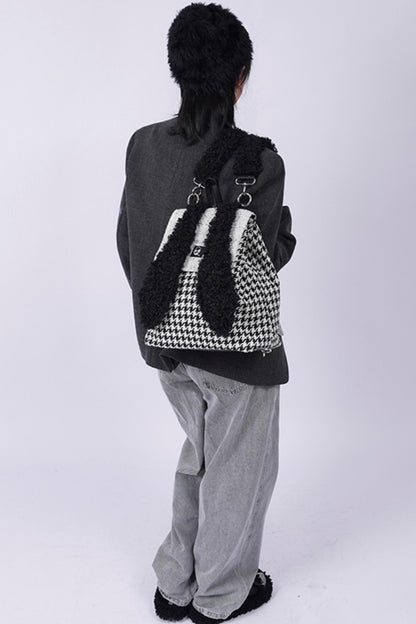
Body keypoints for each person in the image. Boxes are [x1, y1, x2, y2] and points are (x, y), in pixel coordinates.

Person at [116, 3, 297, 622]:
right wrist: (285, 231)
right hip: (236, 349)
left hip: (165, 339)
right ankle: (221, 596)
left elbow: (130, 240)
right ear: (240, 78)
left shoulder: (142, 146)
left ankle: (175, 583)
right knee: (240, 470)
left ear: (177, 70)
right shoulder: (259, 163)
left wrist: (158, 313)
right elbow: (261, 260)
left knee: (199, 456)